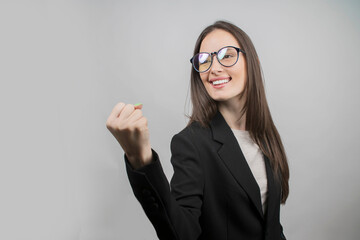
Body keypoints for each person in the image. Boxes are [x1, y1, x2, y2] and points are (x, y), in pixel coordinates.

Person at [106, 20, 289, 240]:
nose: (214, 68)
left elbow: (270, 225)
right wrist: (140, 157)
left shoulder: (266, 135)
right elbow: (181, 233)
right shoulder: (191, 143)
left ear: (253, 63)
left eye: (227, 55)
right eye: (204, 60)